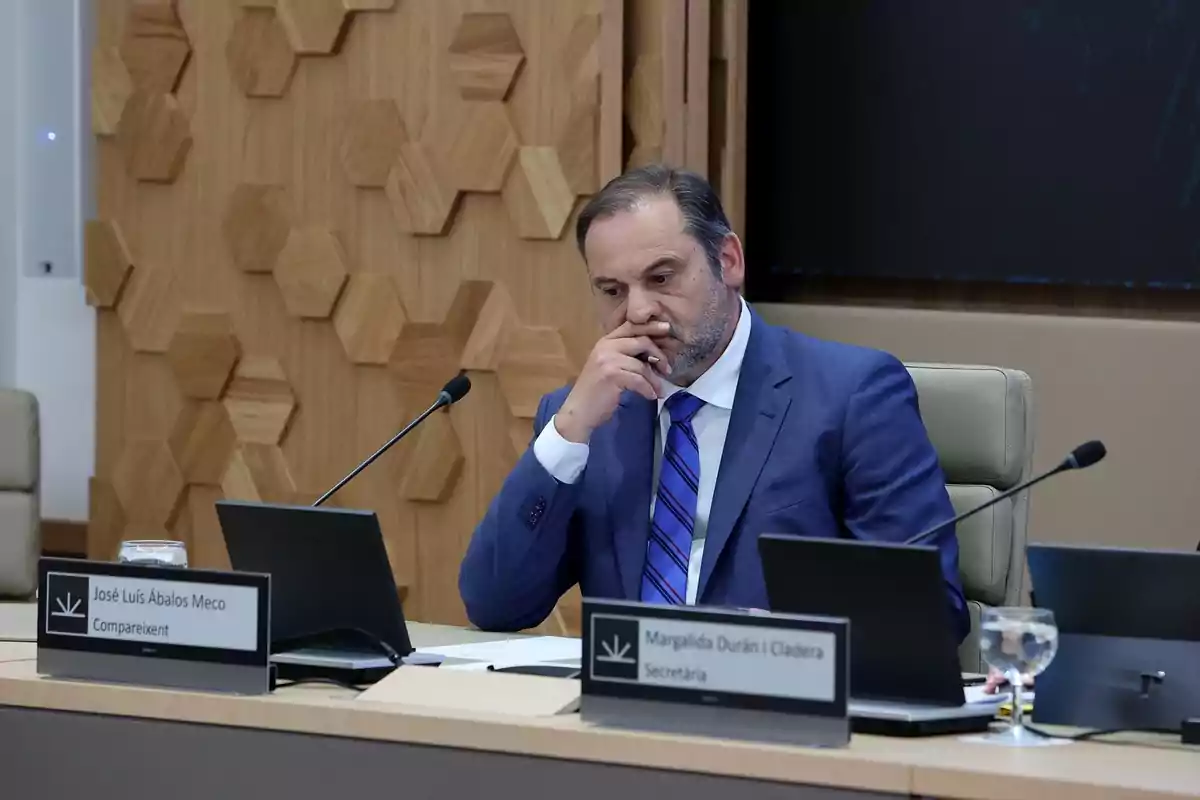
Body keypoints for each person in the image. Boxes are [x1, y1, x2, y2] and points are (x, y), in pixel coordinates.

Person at [458, 164, 969, 643]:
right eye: (612, 290)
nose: (637, 311)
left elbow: (932, 619)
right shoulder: (588, 420)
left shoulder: (850, 395)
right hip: (620, 718)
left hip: (775, 719)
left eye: (661, 278)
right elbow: (495, 605)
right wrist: (567, 432)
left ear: (728, 261)